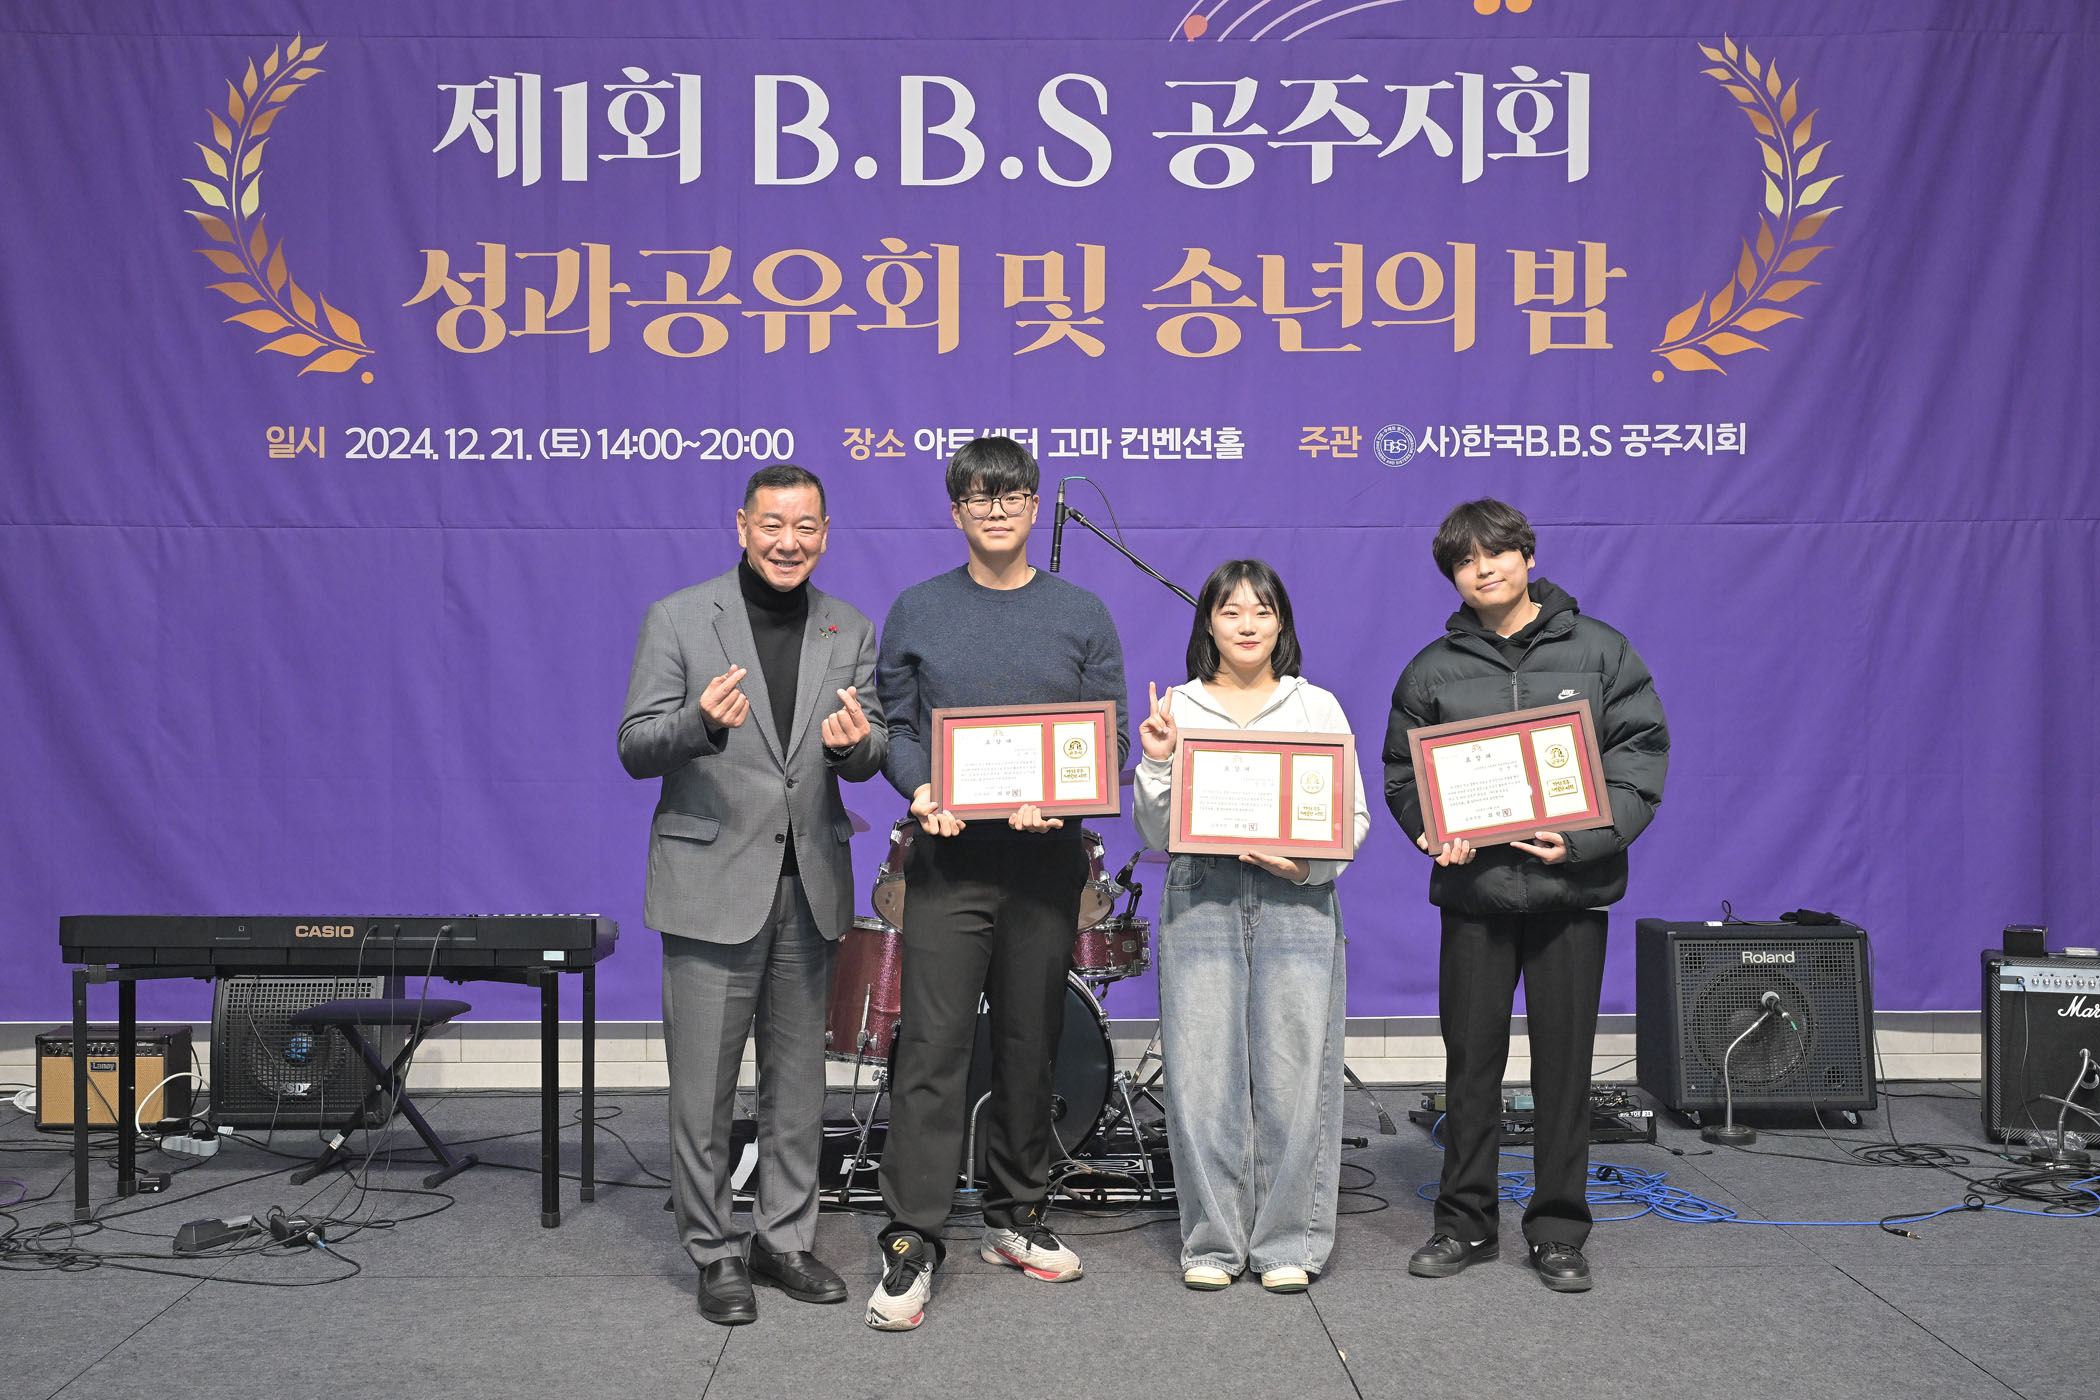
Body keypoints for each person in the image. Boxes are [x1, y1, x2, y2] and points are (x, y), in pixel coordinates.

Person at [864, 435, 1129, 1332]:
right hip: (948, 866)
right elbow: (899, 728)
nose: (997, 510)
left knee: (1029, 1045)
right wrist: (920, 788)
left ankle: (1015, 1215)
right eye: (979, 497)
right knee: (931, 1053)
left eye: (1012, 495)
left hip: (1044, 867)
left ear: (1033, 503)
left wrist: (1067, 801)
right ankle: (912, 1237)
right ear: (957, 512)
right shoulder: (919, 608)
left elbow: (1109, 738)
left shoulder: (1081, 613)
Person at [617, 464, 887, 1326]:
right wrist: (699, 723)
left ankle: (784, 1239)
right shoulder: (679, 617)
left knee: (798, 1087)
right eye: (773, 524)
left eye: (805, 527)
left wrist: (852, 748)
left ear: (826, 534)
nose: (788, 542)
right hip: (710, 885)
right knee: (702, 1089)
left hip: (810, 887)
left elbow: (872, 747)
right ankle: (713, 1250)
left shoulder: (850, 626)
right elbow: (634, 745)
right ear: (742, 527)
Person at [1382, 498, 1668, 1293]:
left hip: (1570, 894)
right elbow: (1404, 775)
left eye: (1497, 553)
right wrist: (1432, 830)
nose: (1485, 570)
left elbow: (1639, 758)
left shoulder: (1601, 651)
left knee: (1564, 1072)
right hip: (1474, 894)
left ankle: (1558, 1230)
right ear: (1453, 577)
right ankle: (1465, 1224)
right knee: (1470, 1067)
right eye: (1466, 561)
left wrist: (1581, 838)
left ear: (1527, 556)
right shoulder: (1431, 670)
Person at [1132, 560, 1371, 1295]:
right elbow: (1155, 833)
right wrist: (1158, 761)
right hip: (1200, 896)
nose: (1246, 624)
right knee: (1202, 1073)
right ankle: (1212, 1240)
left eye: (1261, 611)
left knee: (1297, 1074)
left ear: (1281, 623)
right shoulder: (1179, 707)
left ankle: (1286, 1241)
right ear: (1208, 621)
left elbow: (1351, 819)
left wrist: (1304, 867)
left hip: (1296, 900)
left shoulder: (1316, 707)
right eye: (1231, 610)